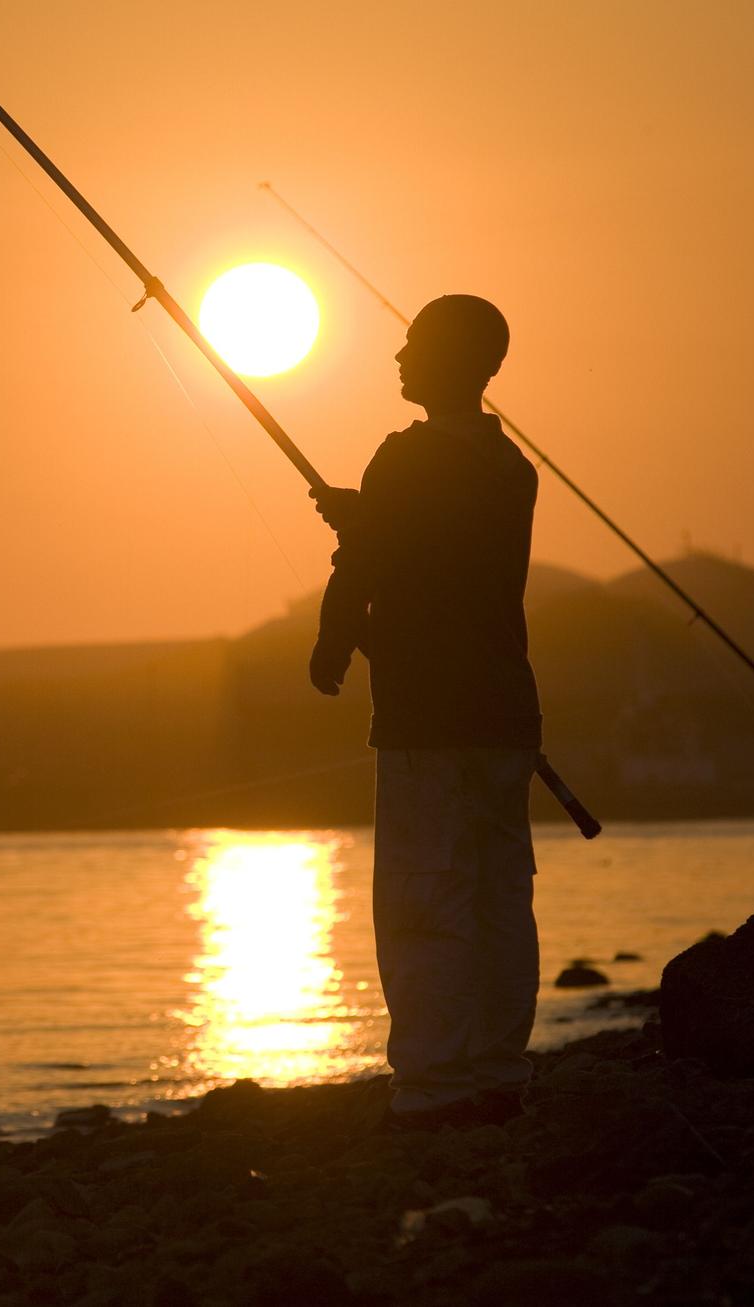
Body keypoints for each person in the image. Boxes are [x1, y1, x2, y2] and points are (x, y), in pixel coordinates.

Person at [309, 294, 543, 1130]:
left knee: (423, 893)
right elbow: (443, 555)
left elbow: (375, 565)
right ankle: (494, 1073)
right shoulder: (511, 469)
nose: (399, 358)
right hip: (506, 716)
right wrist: (370, 515)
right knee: (496, 896)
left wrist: (333, 643)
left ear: (451, 360)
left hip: (427, 721)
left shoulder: (404, 460)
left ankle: (437, 1087)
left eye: (412, 346)